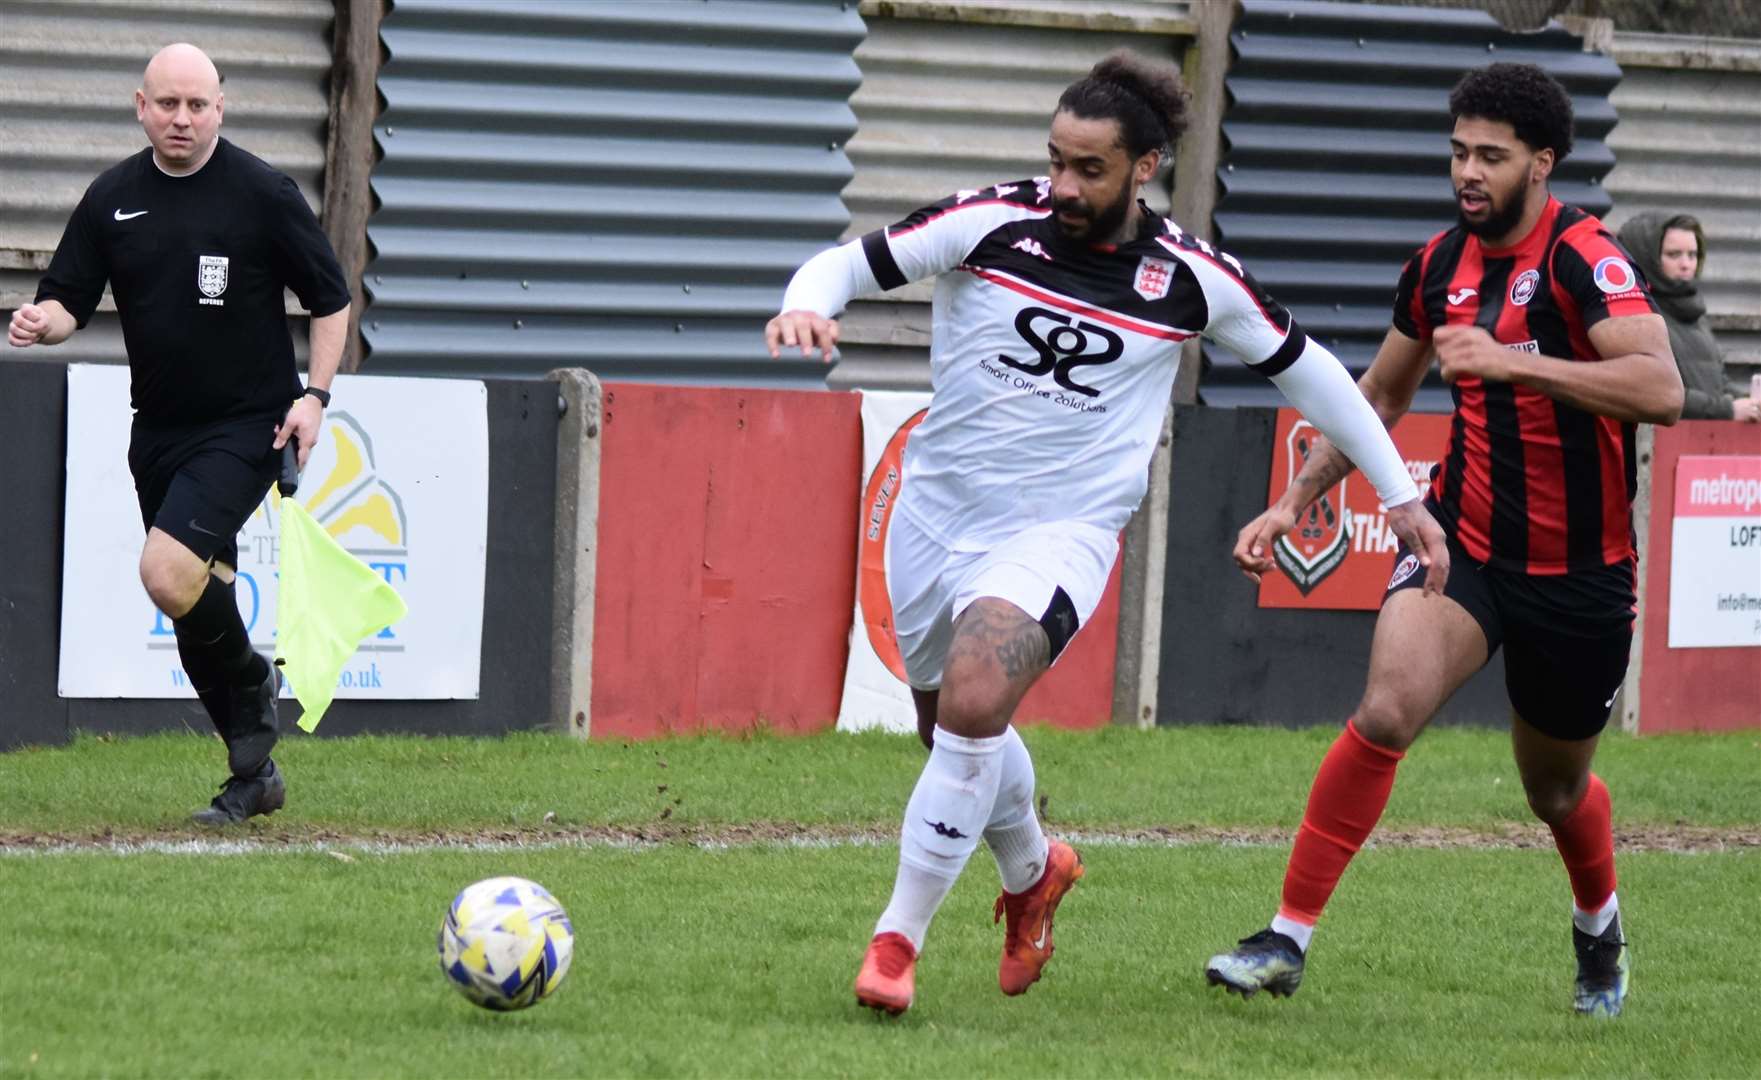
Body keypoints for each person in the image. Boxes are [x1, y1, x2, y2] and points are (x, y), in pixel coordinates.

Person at [765, 50, 1447, 1017]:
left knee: (971, 699)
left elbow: (1315, 376)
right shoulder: (991, 223)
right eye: (1055, 161)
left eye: (1089, 168)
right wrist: (806, 305)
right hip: (932, 519)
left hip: (1061, 532)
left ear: (1146, 166)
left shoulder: (1190, 280)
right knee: (948, 727)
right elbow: (848, 261)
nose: (1063, 186)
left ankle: (894, 946)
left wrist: (1399, 495)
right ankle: (1035, 872)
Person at [1204, 63, 1682, 1019]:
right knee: (1385, 711)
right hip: (1462, 545)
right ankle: (1283, 940)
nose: (1467, 171)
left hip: (1579, 576)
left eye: (1491, 156)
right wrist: (1295, 498)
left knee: (1554, 792)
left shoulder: (1583, 259)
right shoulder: (1434, 267)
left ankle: (1599, 931)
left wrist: (1514, 363)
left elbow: (1661, 389)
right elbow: (1376, 397)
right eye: (1458, 151)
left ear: (1540, 164)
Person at [7, 43, 351, 825]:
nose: (183, 119)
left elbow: (330, 301)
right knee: (200, 593)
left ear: (221, 109)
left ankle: (255, 684)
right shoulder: (112, 199)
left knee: (165, 571)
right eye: (168, 104)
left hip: (246, 424)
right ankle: (253, 777)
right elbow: (68, 299)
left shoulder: (262, 192)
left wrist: (316, 396)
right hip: (156, 431)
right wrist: (41, 321)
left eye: (198, 105)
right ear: (141, 105)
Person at [1615, 212, 1759, 422]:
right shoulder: (1640, 315)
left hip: (1702, 445)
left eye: (1692, 255)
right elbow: (1658, 392)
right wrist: (1726, 411)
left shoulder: (1693, 312)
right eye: (1674, 255)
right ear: (1648, 259)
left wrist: (1748, 402)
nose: (1686, 264)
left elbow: (1717, 382)